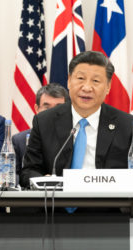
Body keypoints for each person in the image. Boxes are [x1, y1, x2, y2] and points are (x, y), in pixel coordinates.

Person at [20, 51, 133, 188]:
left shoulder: (126, 125)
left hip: (105, 205)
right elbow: (28, 171)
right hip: (57, 204)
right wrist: (43, 181)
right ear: (69, 81)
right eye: (80, 78)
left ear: (108, 86)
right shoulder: (44, 121)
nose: (86, 88)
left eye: (96, 81)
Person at [12, 83, 69, 177]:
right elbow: (14, 176)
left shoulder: (75, 136)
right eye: (47, 107)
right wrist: (41, 181)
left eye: (59, 107)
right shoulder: (19, 141)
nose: (52, 113)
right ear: (37, 109)